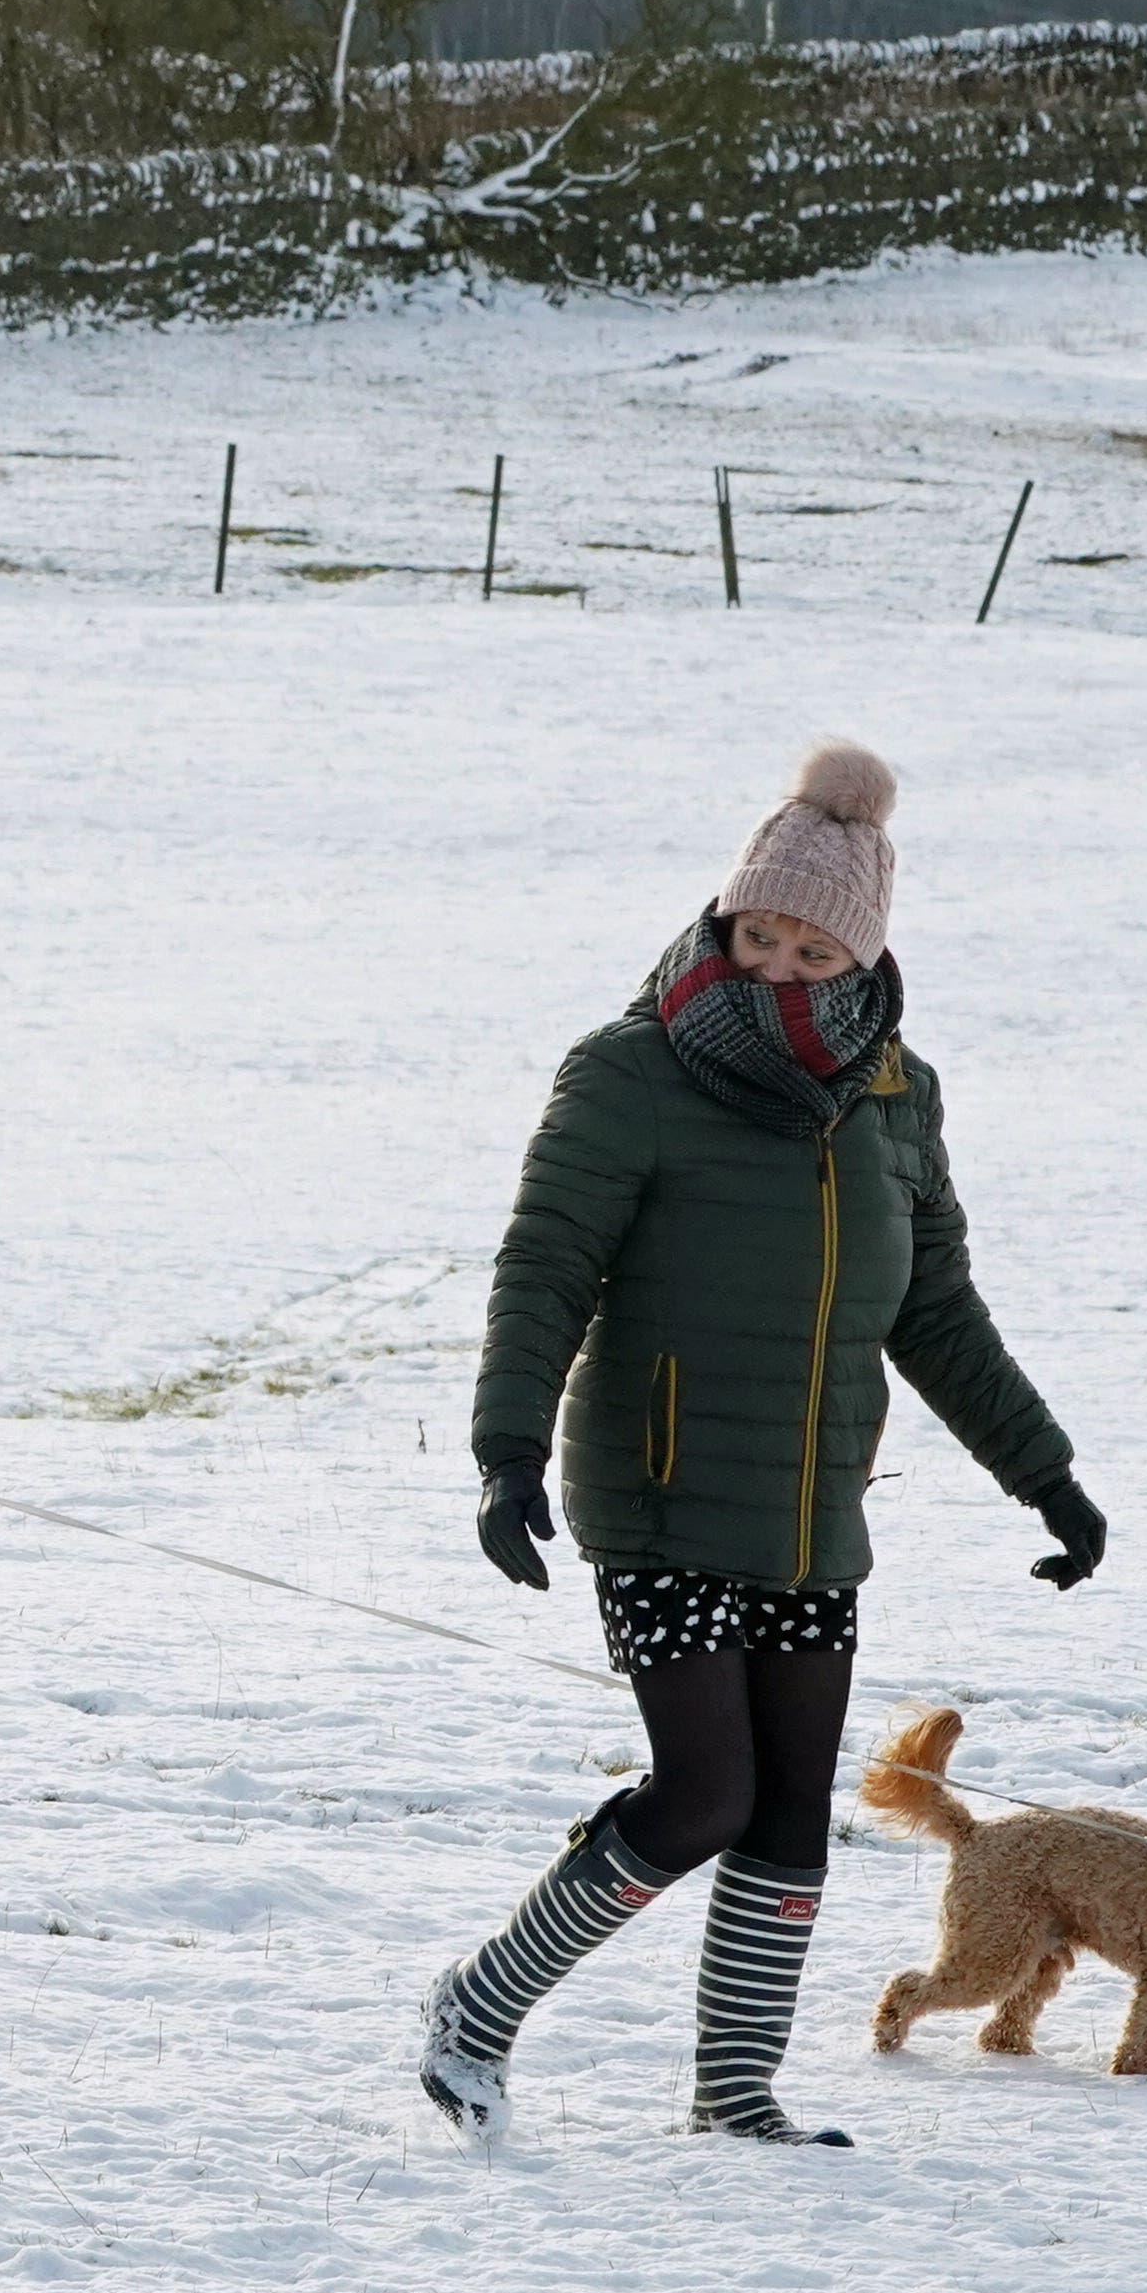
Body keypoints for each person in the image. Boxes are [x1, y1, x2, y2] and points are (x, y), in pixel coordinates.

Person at [427, 740, 1105, 2147]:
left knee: (794, 1812)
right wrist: (506, 1450)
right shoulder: (631, 1070)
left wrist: (1044, 1474)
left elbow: (935, 1306)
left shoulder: (895, 1094)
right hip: (663, 1492)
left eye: (810, 947)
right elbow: (544, 1263)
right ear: (723, 921)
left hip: (813, 1514)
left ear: (860, 954)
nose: (776, 970)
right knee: (704, 1793)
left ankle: (736, 2091)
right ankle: (477, 2011)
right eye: (757, 936)